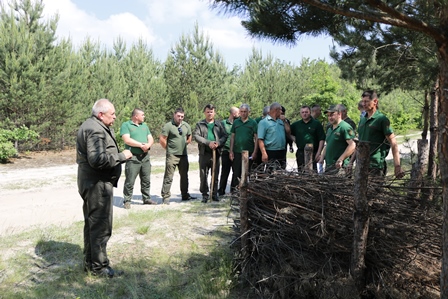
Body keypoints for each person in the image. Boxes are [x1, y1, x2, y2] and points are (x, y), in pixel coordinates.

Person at [77, 99, 132, 278]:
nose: (115, 117)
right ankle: (100, 268)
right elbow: (98, 159)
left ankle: (91, 264)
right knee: (100, 226)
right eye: (112, 114)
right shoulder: (94, 129)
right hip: (97, 184)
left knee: (93, 224)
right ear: (101, 114)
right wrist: (122, 156)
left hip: (93, 182)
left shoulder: (92, 125)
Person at [351, 90, 404, 178]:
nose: (363, 104)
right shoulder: (362, 119)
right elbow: (360, 144)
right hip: (361, 165)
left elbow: (393, 143)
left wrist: (397, 166)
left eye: (366, 101)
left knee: (375, 191)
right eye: (362, 101)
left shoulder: (381, 119)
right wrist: (351, 162)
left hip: (375, 166)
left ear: (375, 101)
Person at [159, 108, 196, 205]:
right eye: (178, 116)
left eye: (182, 116)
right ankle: (166, 197)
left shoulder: (186, 125)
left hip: (183, 155)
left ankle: (185, 194)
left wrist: (184, 144)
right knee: (169, 176)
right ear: (174, 115)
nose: (180, 118)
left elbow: (189, 137)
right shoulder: (168, 126)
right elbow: (162, 139)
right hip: (172, 155)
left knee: (184, 176)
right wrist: (169, 149)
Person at [120, 108, 155, 209]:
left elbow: (151, 138)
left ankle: (146, 198)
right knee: (130, 180)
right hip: (133, 157)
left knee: (146, 179)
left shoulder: (145, 126)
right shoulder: (126, 125)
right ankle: (127, 200)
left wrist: (148, 145)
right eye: (142, 115)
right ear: (136, 116)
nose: (144, 116)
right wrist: (140, 145)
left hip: (145, 157)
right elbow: (127, 140)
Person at [193, 104, 228, 203]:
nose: (209, 113)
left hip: (216, 153)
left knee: (215, 174)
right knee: (203, 175)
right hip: (204, 153)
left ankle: (214, 193)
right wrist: (209, 143)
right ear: (204, 113)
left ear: (214, 113)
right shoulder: (200, 124)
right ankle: (205, 194)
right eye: (208, 112)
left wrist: (218, 143)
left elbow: (225, 136)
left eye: (211, 112)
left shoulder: (219, 124)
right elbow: (196, 136)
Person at [319, 105, 356, 174]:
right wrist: (322, 158)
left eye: (332, 115)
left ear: (339, 114)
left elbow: (352, 145)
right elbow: (328, 144)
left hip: (339, 167)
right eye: (328, 115)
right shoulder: (330, 128)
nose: (330, 117)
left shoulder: (345, 127)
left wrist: (341, 159)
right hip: (329, 165)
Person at [229, 103, 258, 188]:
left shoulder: (253, 123)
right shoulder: (236, 122)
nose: (243, 113)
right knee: (236, 173)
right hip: (237, 151)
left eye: (245, 111)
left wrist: (255, 152)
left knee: (249, 172)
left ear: (249, 112)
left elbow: (256, 138)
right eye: (241, 111)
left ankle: (249, 192)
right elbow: (232, 137)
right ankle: (235, 192)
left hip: (249, 152)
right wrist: (231, 151)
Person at [290, 105, 325, 171]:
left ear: (310, 112)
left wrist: (319, 153)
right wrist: (296, 140)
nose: (304, 114)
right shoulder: (296, 125)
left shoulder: (316, 124)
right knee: (301, 172)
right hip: (301, 152)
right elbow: (288, 133)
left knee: (313, 173)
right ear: (300, 114)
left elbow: (321, 139)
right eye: (302, 112)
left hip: (313, 152)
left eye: (306, 112)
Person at [257, 102, 290, 170]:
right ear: (276, 110)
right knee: (272, 172)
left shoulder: (281, 121)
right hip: (271, 151)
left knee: (281, 171)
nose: (281, 112)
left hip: (282, 151)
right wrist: (264, 153)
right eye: (280, 110)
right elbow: (260, 139)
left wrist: (285, 121)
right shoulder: (264, 122)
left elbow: (288, 132)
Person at [218, 106, 239, 196]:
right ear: (233, 114)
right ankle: (221, 190)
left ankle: (233, 191)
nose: (239, 114)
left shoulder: (238, 123)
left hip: (236, 151)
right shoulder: (223, 123)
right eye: (238, 113)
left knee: (236, 171)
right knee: (225, 171)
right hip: (226, 151)